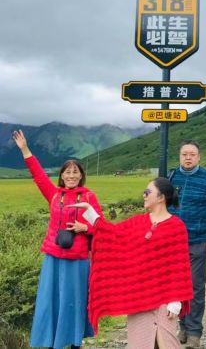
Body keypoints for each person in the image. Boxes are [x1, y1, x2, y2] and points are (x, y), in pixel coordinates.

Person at [70, 177, 193, 349]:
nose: (144, 195)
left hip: (165, 299)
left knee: (167, 344)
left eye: (147, 192)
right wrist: (91, 212)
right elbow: (112, 233)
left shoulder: (176, 227)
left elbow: (179, 266)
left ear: (161, 197)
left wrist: (176, 299)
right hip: (139, 298)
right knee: (139, 344)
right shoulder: (138, 222)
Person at [12, 129, 103, 349]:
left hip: (78, 260)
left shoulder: (89, 197)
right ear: (61, 176)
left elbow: (101, 226)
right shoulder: (54, 195)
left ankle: (75, 343)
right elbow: (38, 175)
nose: (71, 176)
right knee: (51, 301)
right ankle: (54, 342)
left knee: (74, 301)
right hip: (53, 258)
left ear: (81, 176)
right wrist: (25, 150)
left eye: (75, 172)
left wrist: (85, 227)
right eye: (67, 172)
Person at [168, 140, 206, 349]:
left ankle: (194, 333)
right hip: (173, 241)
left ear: (199, 157)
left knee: (195, 287)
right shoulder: (172, 177)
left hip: (198, 240)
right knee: (176, 286)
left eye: (192, 154)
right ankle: (182, 326)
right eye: (184, 154)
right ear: (180, 156)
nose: (188, 157)